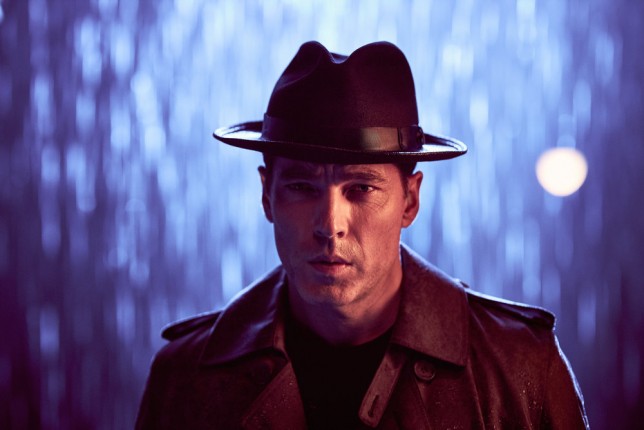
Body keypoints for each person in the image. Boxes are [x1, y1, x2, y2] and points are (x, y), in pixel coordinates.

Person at [136, 41, 589, 429]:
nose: (329, 224)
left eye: (361, 189)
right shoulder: (185, 376)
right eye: (301, 187)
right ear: (266, 196)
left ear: (409, 201)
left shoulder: (520, 366)